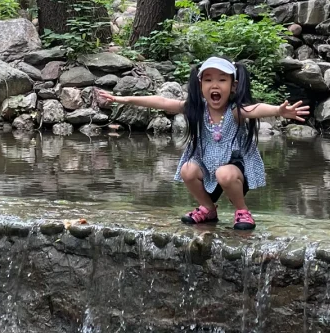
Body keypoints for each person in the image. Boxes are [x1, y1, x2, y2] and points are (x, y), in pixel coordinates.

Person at [94, 56, 310, 231]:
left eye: (222, 80)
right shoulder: (197, 108)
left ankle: (242, 211)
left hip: (233, 170)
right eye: (208, 80)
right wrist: (124, 99)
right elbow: (161, 101)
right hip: (205, 165)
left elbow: (256, 108)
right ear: (200, 85)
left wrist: (279, 111)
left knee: (224, 173)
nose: (214, 85)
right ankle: (208, 209)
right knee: (188, 168)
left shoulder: (234, 111)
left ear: (233, 86)